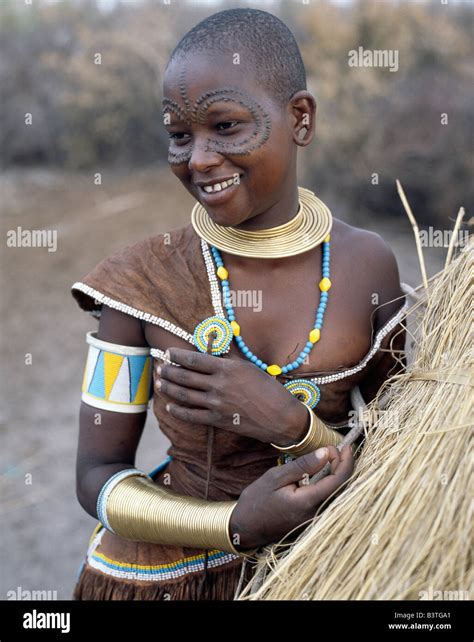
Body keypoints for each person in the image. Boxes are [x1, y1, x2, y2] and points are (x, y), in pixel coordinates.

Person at [71, 8, 406, 601]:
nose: (198, 159)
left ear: (299, 119)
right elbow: (95, 477)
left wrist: (291, 425)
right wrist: (234, 526)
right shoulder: (139, 282)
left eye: (225, 127)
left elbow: (409, 445)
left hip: (340, 565)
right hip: (165, 579)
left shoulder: (368, 265)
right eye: (180, 135)